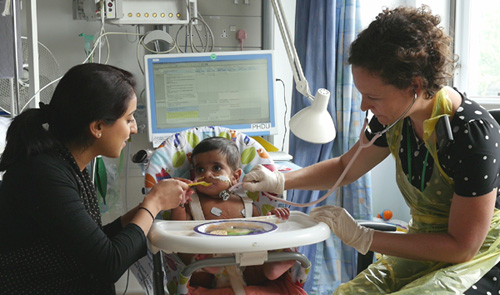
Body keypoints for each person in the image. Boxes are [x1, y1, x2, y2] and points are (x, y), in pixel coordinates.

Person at [242, 5, 500, 295]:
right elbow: (344, 168)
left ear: (415, 85)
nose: (364, 107)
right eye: (362, 95)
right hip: (424, 246)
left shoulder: (471, 134)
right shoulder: (393, 119)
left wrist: (364, 237)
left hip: (478, 257)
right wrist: (279, 179)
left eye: (373, 96)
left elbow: (462, 247)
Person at [0, 63, 191, 294]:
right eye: (129, 119)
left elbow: (93, 244)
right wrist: (154, 203)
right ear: (98, 126)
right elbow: (108, 263)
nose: (134, 129)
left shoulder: (65, 164)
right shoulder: (43, 175)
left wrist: (148, 206)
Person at [171, 136, 305, 295]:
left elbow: (263, 229)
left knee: (263, 254)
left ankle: (273, 267)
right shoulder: (192, 201)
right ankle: (206, 265)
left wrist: (273, 218)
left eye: (216, 168)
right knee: (192, 262)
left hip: (249, 262)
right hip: (209, 266)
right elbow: (177, 228)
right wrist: (178, 202)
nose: (207, 174)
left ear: (235, 176)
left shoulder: (246, 202)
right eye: (200, 170)